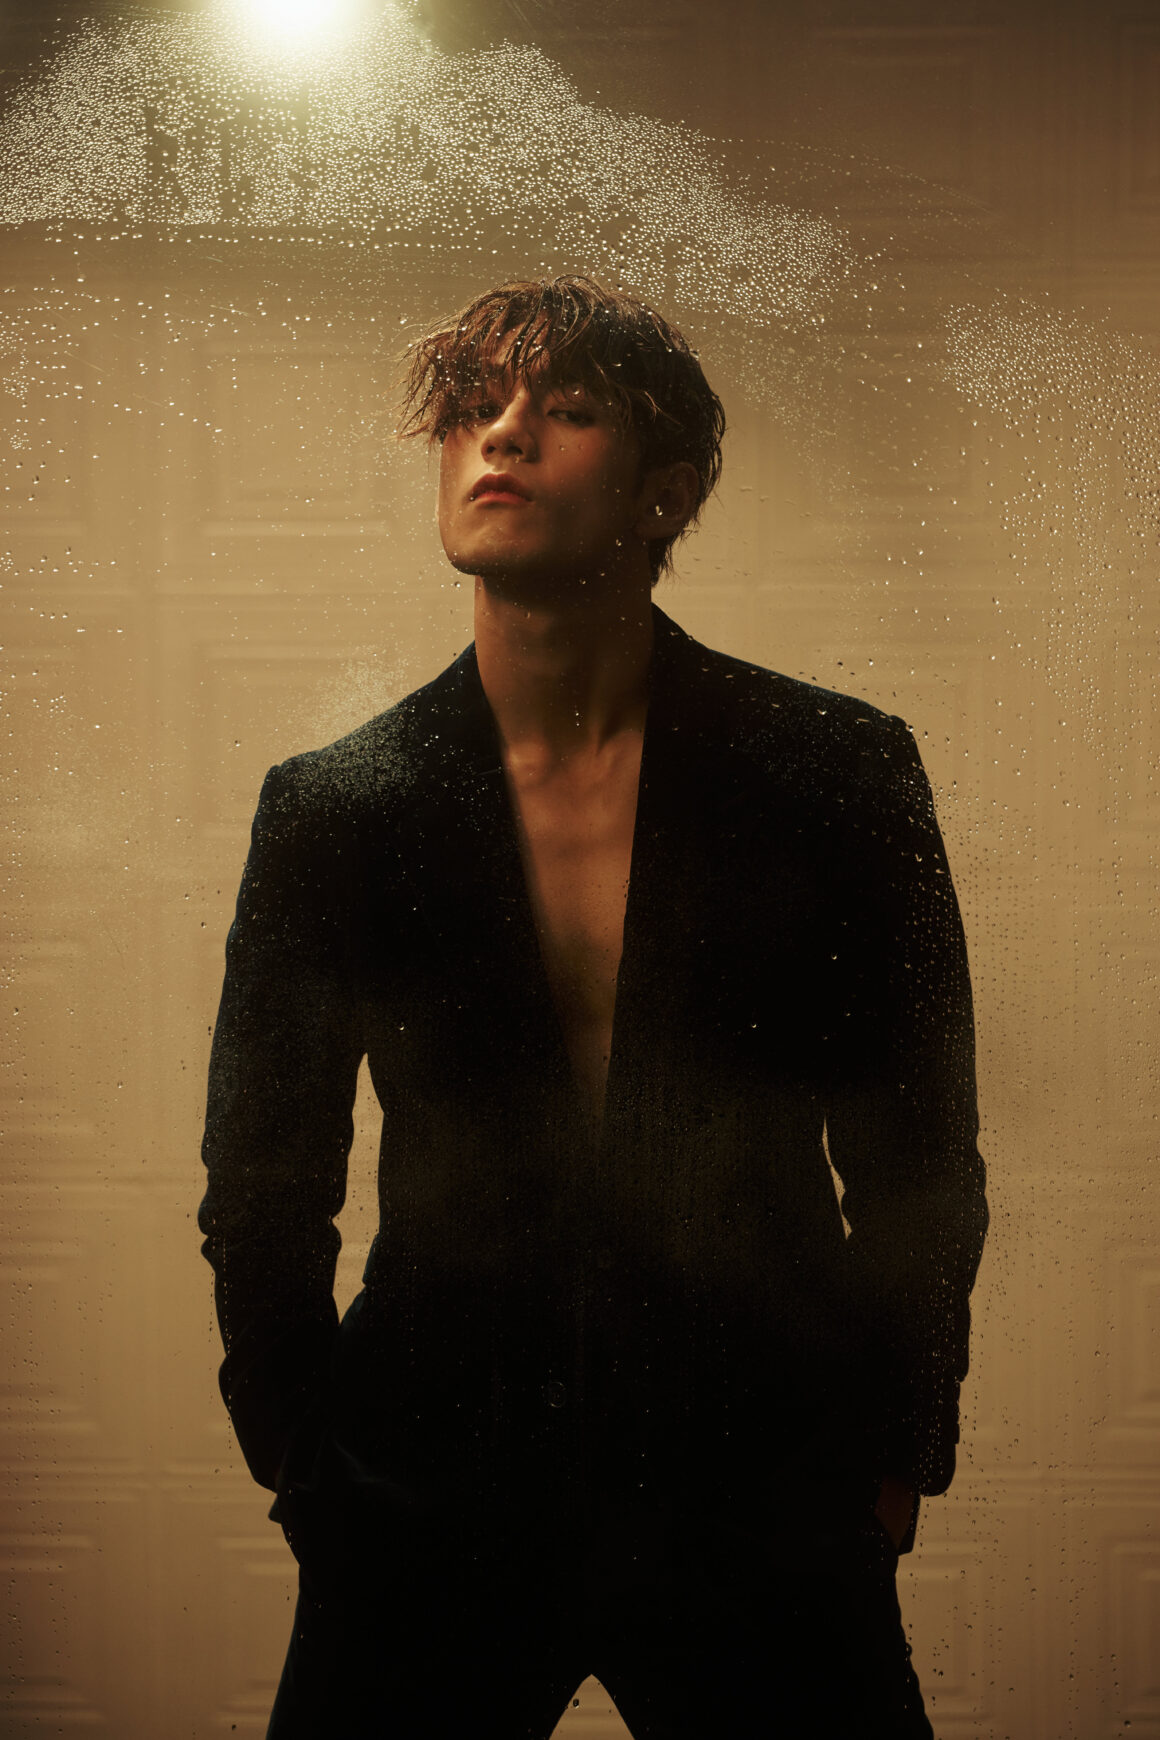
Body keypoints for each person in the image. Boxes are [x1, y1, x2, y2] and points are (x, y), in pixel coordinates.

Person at [199, 275, 988, 1739]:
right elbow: (262, 1181)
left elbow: (920, 1154)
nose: (500, 437)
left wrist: (896, 1447)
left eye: (563, 412)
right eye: (472, 409)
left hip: (758, 1484)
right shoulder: (334, 809)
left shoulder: (837, 772)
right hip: (426, 1488)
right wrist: (300, 1458)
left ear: (664, 491)